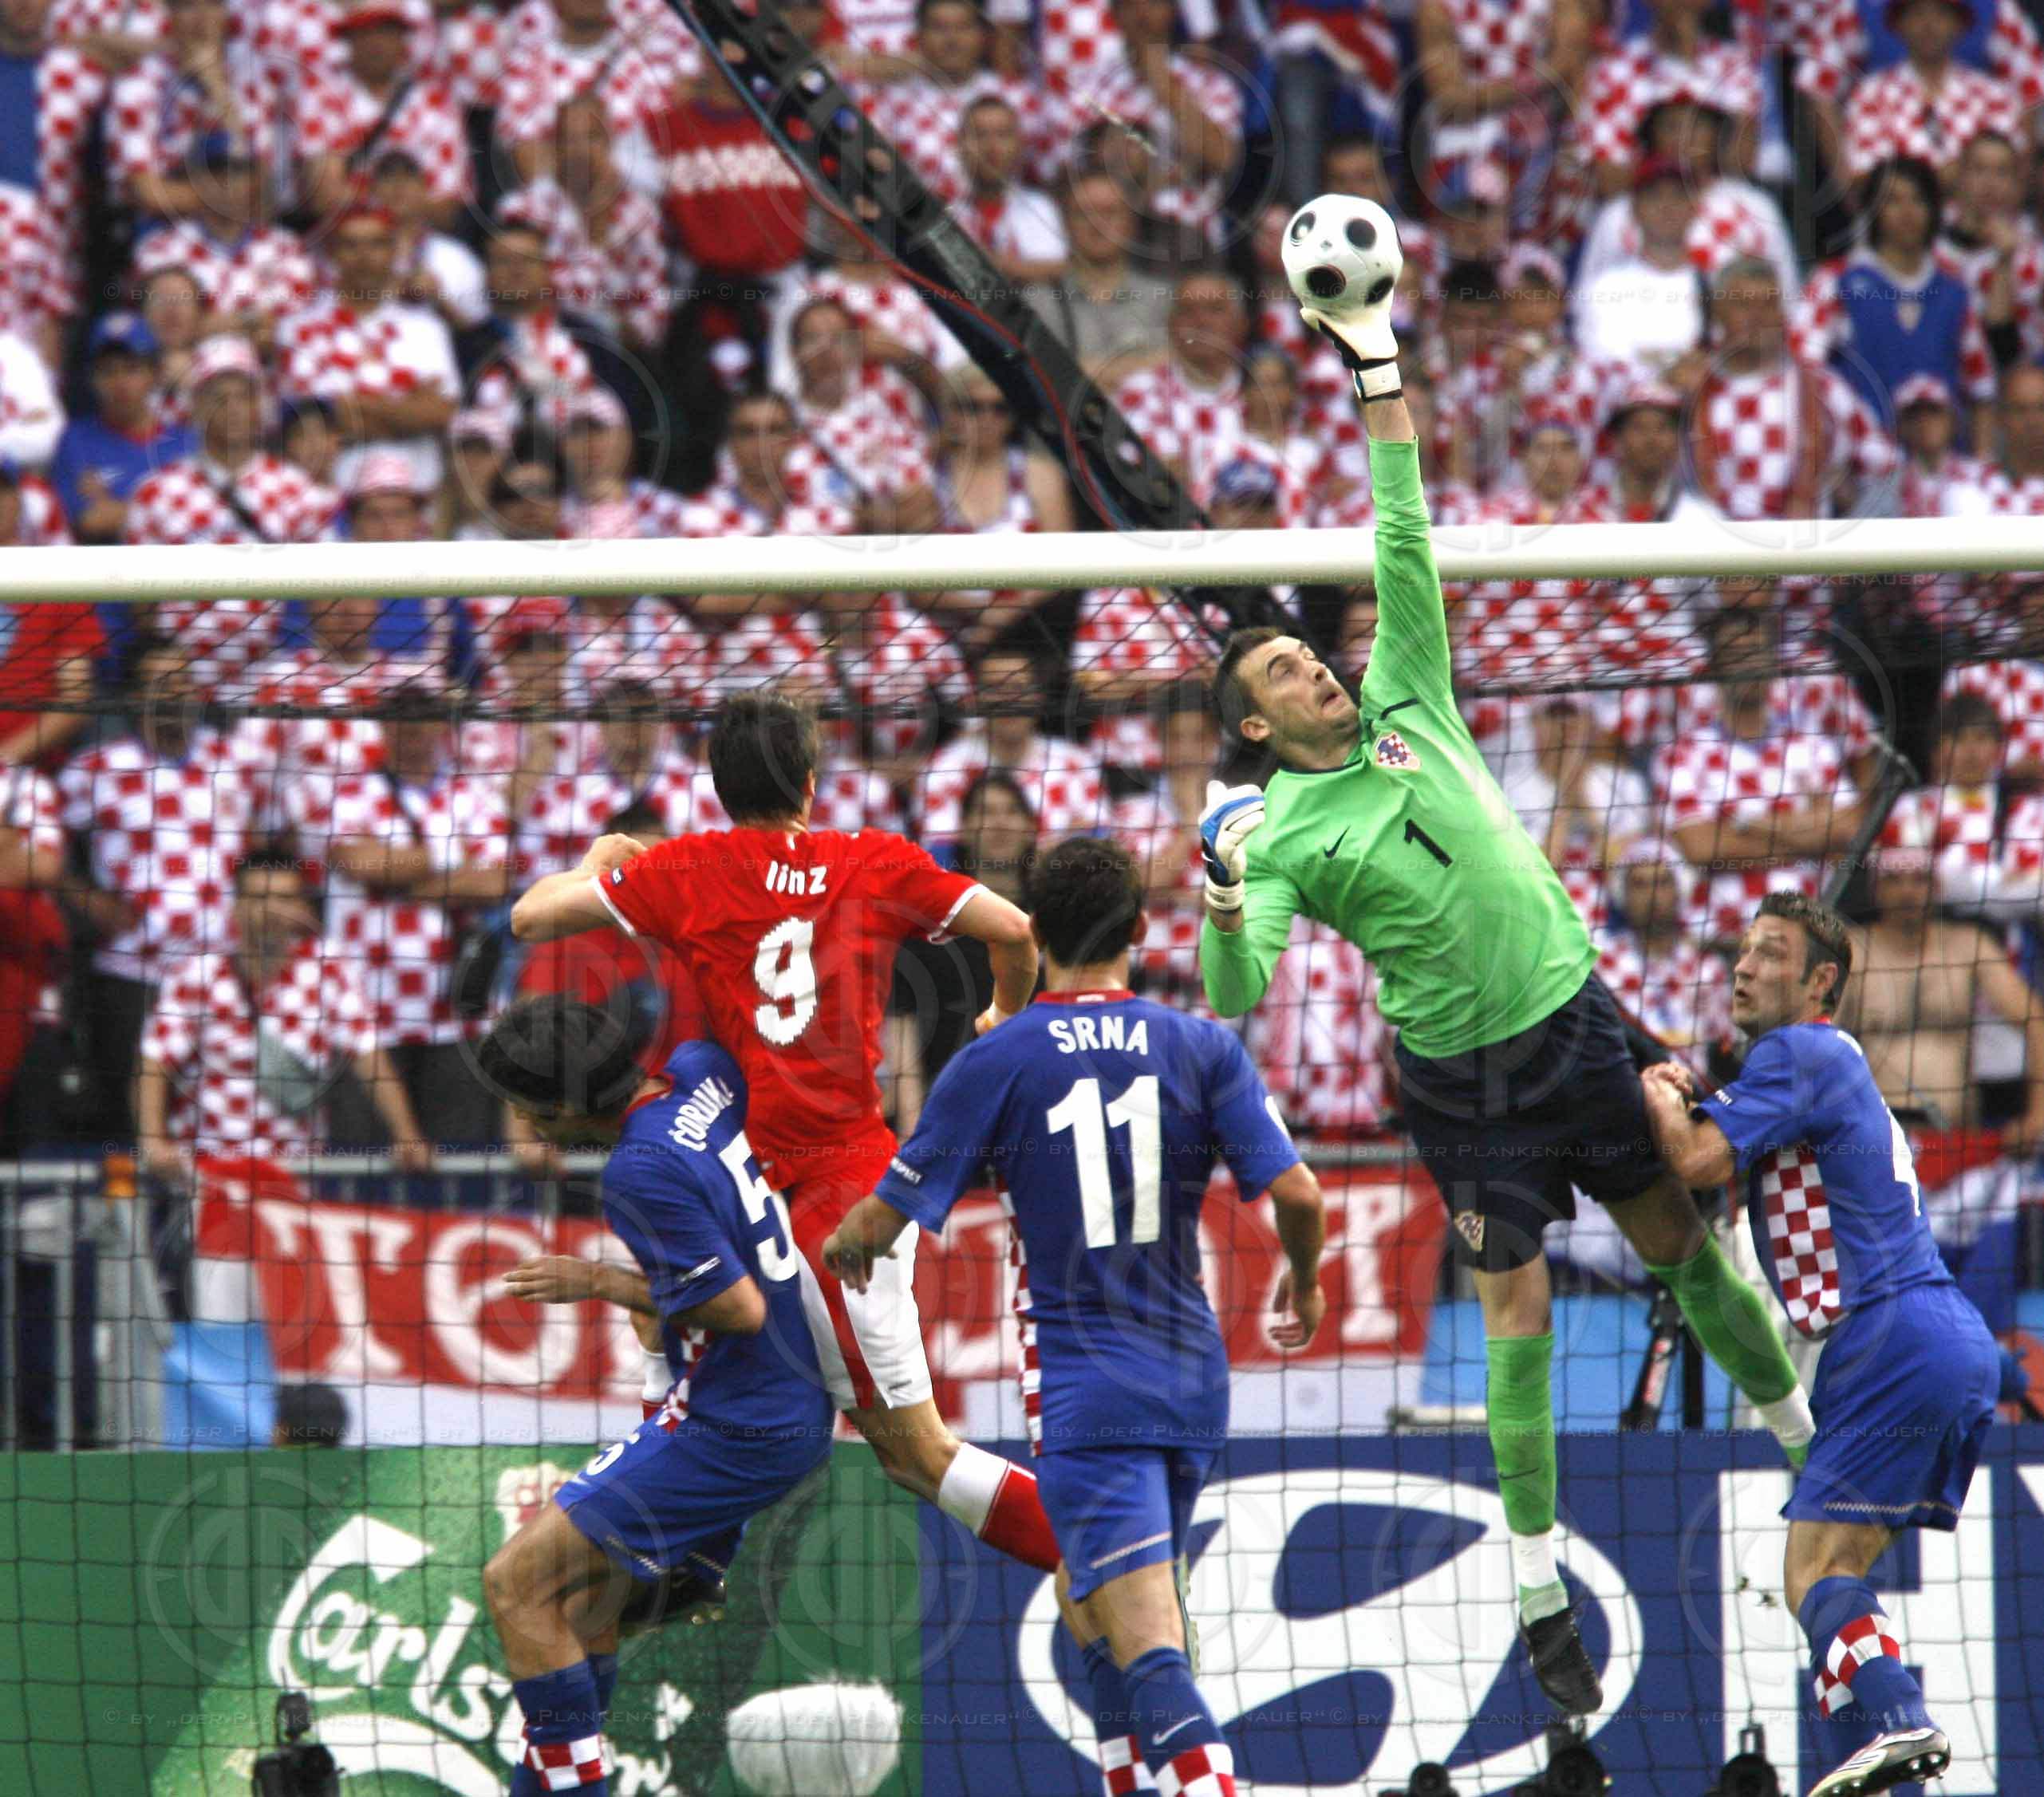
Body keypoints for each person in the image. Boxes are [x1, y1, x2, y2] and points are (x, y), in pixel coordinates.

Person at [1198, 212, 1813, 1715]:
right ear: (1259, 730)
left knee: (1679, 1230)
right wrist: (1220, 909)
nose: (1309, 664)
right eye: (1278, 671)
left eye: (1304, 651)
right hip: (1460, 1081)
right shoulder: (1274, 829)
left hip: (1570, 1022)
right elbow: (1239, 992)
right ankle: (1534, 1570)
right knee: (1518, 1308)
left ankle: (1805, 1433)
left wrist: (1377, 365)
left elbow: (1399, 525)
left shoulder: (1408, 684)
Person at [504, 691, 1065, 1574]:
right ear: (810, 780)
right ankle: (686, 1554)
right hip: (834, 1178)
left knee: (915, 1451)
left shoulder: (687, 869)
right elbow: (1018, 932)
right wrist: (1002, 1011)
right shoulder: (873, 861)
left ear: (720, 791)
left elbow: (531, 919)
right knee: (687, 1318)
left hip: (810, 1194)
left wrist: (597, 858)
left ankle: (1101, 1554)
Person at [822, 835, 1328, 1797]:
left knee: (1149, 1646)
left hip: (1091, 1391)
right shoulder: (1202, 1044)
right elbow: (1300, 1196)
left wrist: (842, 1246)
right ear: (1140, 930)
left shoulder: (997, 1058)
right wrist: (1303, 1284)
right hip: (1192, 1378)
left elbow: (881, 1220)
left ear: (1035, 935)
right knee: (1089, 1599)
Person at [1640, 893, 2000, 1797]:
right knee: (1835, 1597)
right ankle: (1881, 1767)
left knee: (1810, 1572)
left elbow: (1691, 1162)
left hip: (1891, 1337)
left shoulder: (1799, 1050)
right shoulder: (1815, 1067)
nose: (1743, 966)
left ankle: (1904, 1721)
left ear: (1821, 981)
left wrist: (1656, 1098)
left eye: (1770, 953)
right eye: (1743, 950)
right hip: (1936, 1342)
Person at [478, 1011, 834, 1797]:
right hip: (780, 1400)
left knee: (514, 1584)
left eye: (525, 1106)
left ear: (560, 1111)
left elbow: (737, 1308)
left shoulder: (637, 1170)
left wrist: (599, 1280)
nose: (523, 1120)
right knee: (575, 1604)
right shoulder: (703, 1069)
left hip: (737, 1421)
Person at [1835, 845, 2044, 1142]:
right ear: (1875, 890)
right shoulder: (1852, 951)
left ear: (1938, 887)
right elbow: (1819, 1040)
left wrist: (2037, 1116)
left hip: (1954, 1141)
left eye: (1920, 879)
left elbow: (2035, 1019)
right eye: (1894, 880)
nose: (1907, 892)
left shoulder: (1968, 947)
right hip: (1874, 1141)